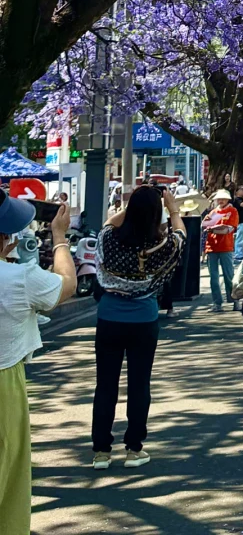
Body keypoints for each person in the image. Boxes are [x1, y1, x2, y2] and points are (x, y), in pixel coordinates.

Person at [92, 185, 185, 469]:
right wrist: (172, 208)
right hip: (144, 319)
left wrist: (132, 205)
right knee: (139, 384)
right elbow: (181, 234)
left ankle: (101, 452)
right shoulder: (164, 245)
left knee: (105, 385)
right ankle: (134, 448)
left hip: (109, 317)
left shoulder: (109, 239)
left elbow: (110, 222)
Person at [0, 189, 76, 532]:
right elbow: (66, 284)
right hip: (4, 381)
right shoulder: (18, 279)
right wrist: (60, 238)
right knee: (8, 474)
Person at [201, 191, 239, 312]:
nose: (221, 201)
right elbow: (205, 226)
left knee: (229, 276)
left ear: (228, 199)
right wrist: (207, 225)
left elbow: (230, 229)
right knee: (213, 277)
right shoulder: (212, 212)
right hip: (211, 246)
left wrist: (214, 230)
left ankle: (235, 300)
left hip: (226, 246)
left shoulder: (233, 211)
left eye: (223, 198)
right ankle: (217, 302)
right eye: (219, 199)